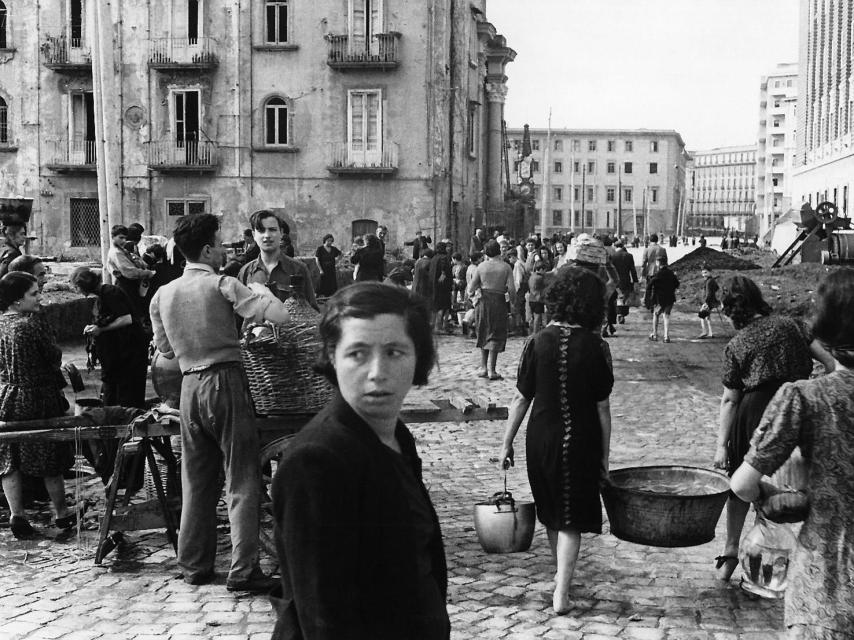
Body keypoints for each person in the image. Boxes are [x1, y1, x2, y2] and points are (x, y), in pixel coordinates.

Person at [271, 282, 449, 640]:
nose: (377, 371)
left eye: (395, 352)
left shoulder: (395, 435)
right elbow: (323, 616)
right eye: (358, 353)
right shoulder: (316, 460)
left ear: (418, 357)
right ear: (333, 356)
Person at [149, 213, 290, 593]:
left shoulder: (162, 294)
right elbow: (277, 316)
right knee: (241, 477)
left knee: (195, 480)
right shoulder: (224, 284)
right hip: (225, 381)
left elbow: (165, 350)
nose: (224, 249)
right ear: (208, 249)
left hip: (188, 387)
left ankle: (194, 565)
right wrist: (260, 292)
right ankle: (244, 571)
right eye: (220, 243)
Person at [731, 268, 854, 639]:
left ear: (825, 325)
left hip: (825, 587)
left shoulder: (805, 398)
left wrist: (776, 496)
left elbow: (742, 485)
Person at [498, 266, 613, 614]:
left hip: (542, 437)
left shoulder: (537, 342)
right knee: (571, 516)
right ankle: (562, 588)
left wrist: (506, 442)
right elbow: (602, 408)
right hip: (581, 439)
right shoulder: (597, 346)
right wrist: (604, 457)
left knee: (552, 511)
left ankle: (560, 579)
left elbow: (521, 398)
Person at [711, 275, 816, 582]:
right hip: (797, 406)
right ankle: (783, 554)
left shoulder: (737, 344)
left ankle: (731, 551)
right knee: (793, 480)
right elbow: (828, 360)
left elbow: (730, 399)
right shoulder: (793, 325)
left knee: (742, 477)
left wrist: (721, 445)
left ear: (730, 309)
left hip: (755, 411)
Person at [0, 272, 81, 539]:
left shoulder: (1, 324)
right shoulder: (29, 325)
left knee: (9, 456)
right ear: (16, 300)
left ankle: (17, 514)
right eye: (34, 294)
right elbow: (53, 357)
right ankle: (62, 513)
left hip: (7, 396)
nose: (39, 297)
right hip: (37, 396)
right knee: (50, 455)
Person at [70, 267, 148, 409]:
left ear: (84, 285)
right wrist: (94, 327)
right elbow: (108, 318)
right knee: (113, 390)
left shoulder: (110, 292)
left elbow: (126, 319)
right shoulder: (102, 295)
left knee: (127, 393)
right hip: (118, 352)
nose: (76, 290)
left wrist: (100, 329)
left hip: (129, 350)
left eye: (76, 287)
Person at [238, 210, 317, 311]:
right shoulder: (245, 273)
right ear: (254, 235)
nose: (267, 235)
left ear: (281, 233)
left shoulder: (299, 270)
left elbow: (312, 311)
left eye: (272, 230)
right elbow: (239, 313)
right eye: (261, 230)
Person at [467, 240, 515, 380]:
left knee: (484, 330)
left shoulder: (481, 266)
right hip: (499, 302)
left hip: (483, 302)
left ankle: (483, 368)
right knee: (495, 333)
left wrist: (474, 296)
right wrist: (513, 303)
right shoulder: (505, 267)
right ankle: (492, 370)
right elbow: (512, 289)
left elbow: (471, 288)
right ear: (499, 251)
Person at [106, 224, 155, 321]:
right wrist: (148, 273)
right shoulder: (116, 253)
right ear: (113, 237)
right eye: (121, 238)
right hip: (125, 285)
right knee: (132, 314)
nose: (123, 240)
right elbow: (130, 272)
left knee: (135, 311)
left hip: (130, 284)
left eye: (125, 238)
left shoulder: (122, 250)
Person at [647, 254, 679, 343]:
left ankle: (654, 334)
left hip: (660, 299)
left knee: (656, 314)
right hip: (670, 298)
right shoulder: (671, 273)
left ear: (658, 263)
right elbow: (677, 284)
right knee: (666, 316)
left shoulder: (658, 274)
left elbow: (650, 285)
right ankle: (666, 336)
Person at [610, 240, 637, 324]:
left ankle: (619, 313)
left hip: (615, 281)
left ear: (615, 246)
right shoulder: (629, 256)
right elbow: (633, 270)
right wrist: (635, 281)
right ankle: (622, 314)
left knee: (618, 297)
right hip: (626, 280)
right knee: (624, 297)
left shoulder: (612, 256)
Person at [429, 241, 453, 332]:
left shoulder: (433, 258)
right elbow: (444, 271)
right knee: (444, 306)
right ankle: (441, 326)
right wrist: (444, 277)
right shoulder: (444, 258)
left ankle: (434, 325)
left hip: (433, 285)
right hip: (443, 286)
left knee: (435, 305)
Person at [640, 233, 667, 310]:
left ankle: (648, 303)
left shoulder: (647, 249)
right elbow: (665, 262)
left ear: (650, 240)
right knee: (658, 288)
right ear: (657, 240)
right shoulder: (662, 249)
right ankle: (657, 303)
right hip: (660, 271)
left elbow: (643, 263)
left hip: (650, 271)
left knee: (649, 287)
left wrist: (642, 274)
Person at [697, 265, 720, 339]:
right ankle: (710, 333)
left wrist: (705, 303)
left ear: (710, 272)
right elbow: (717, 288)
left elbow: (708, 293)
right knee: (707, 317)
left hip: (708, 301)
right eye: (703, 273)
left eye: (705, 272)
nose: (704, 274)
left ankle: (704, 331)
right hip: (712, 301)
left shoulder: (708, 282)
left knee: (702, 315)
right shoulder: (712, 280)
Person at [527, 262, 547, 335]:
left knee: (532, 318)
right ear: (541, 269)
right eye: (544, 270)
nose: (545, 272)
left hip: (531, 299)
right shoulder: (540, 278)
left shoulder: (532, 276)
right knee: (537, 318)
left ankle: (531, 332)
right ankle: (535, 333)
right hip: (538, 299)